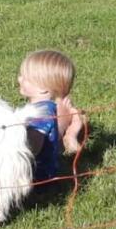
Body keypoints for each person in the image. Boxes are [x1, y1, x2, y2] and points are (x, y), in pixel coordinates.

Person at [18, 49, 86, 186]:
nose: (19, 79)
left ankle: (71, 134)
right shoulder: (46, 109)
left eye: (26, 78)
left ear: (43, 89)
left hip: (35, 179)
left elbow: (31, 148)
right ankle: (70, 133)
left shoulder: (40, 114)